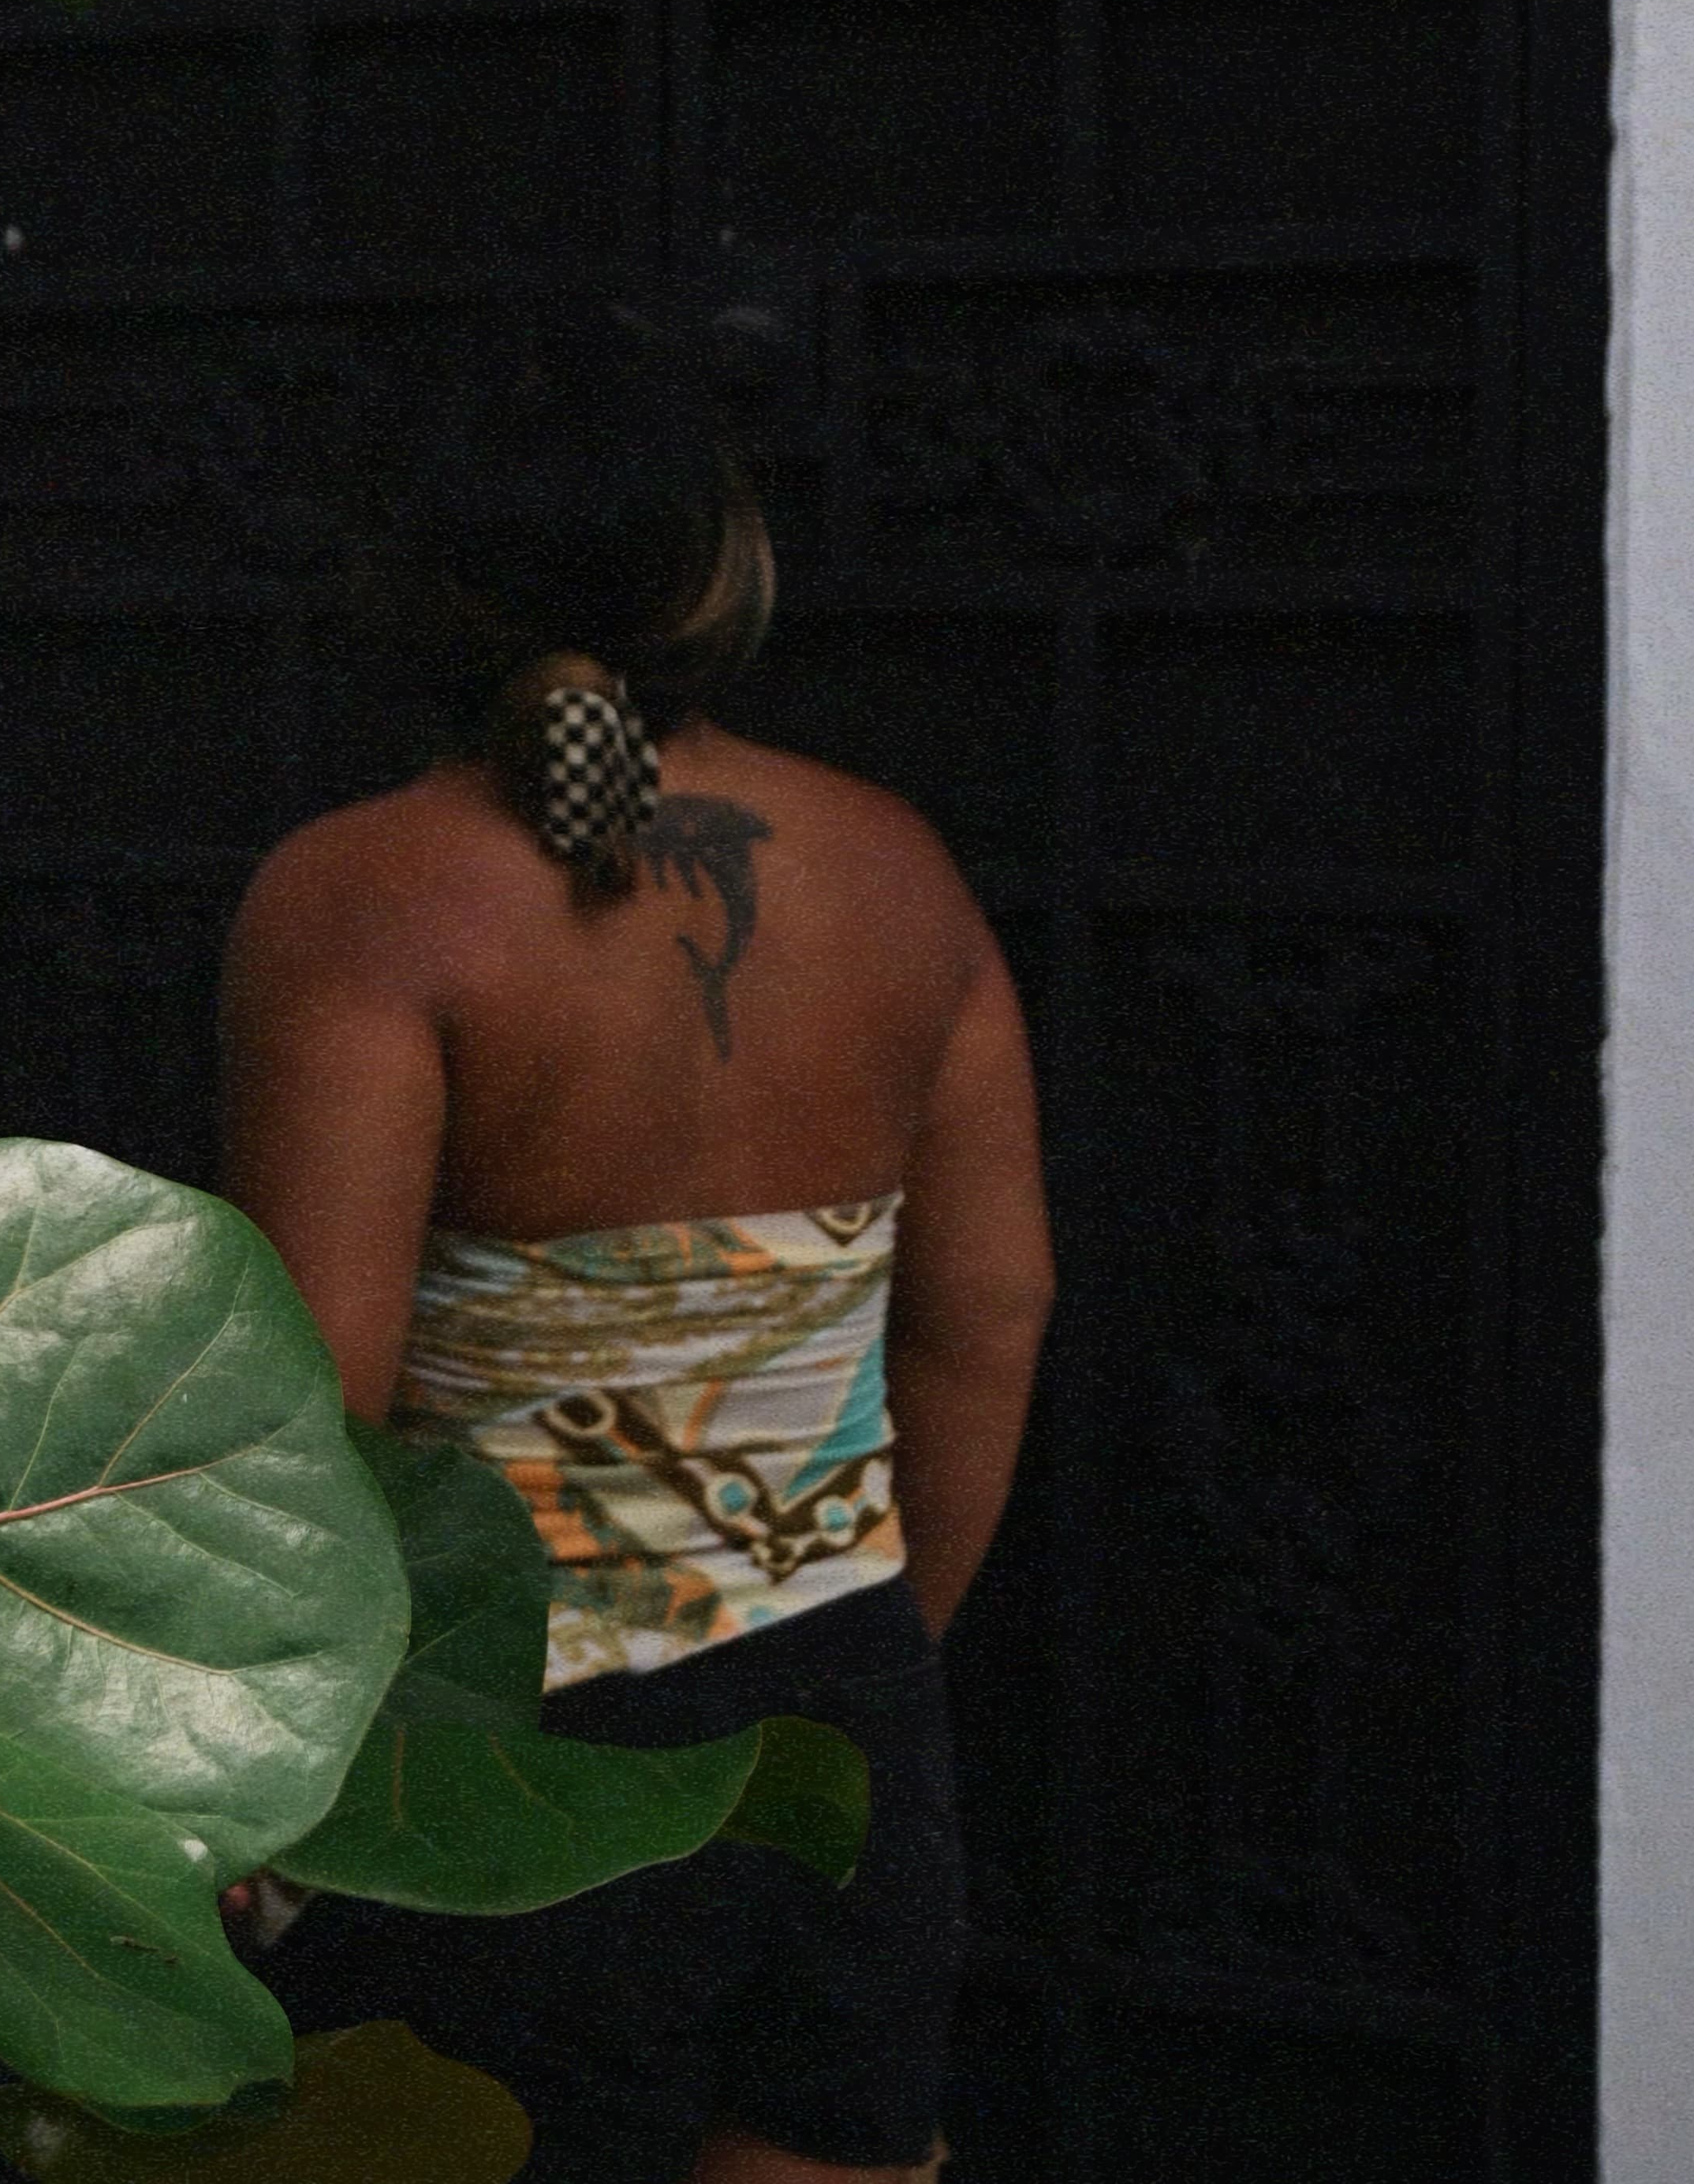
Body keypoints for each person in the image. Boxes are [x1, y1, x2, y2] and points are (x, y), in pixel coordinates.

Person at [221, 304, 1055, 2184]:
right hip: (831, 1744)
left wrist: (238, 1803)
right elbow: (990, 1315)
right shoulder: (898, 869)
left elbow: (311, 1409)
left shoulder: (364, 902)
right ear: (717, 564)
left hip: (495, 1770)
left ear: (407, 581)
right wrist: (851, 1651)